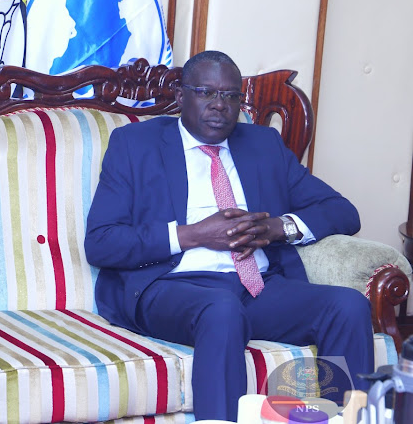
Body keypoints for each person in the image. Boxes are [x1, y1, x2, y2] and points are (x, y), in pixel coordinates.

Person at [84, 50, 373, 421]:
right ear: (180, 96)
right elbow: (101, 241)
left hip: (258, 287)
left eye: (231, 96)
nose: (219, 105)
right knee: (221, 310)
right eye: (206, 92)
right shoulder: (134, 145)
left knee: (348, 306)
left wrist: (276, 228)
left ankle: (348, 419)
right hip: (171, 285)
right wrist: (194, 235)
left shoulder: (263, 146)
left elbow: (343, 211)